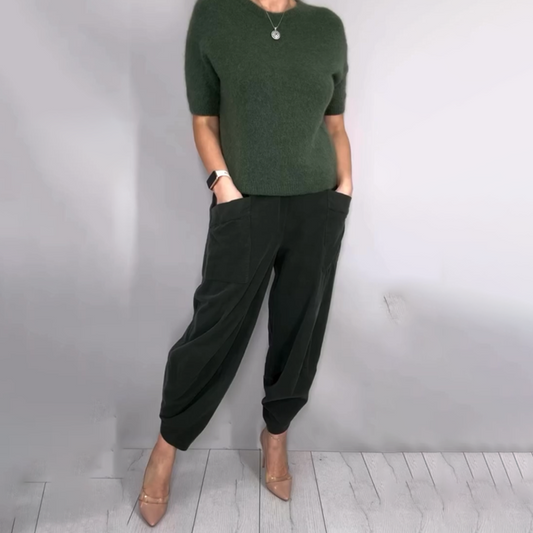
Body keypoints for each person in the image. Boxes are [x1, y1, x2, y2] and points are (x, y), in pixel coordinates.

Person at [137, 0, 352, 526]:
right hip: (244, 203)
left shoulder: (326, 27)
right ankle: (167, 446)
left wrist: (345, 187)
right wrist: (223, 186)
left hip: (317, 205)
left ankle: (275, 435)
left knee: (302, 327)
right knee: (215, 328)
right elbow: (204, 121)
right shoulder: (215, 15)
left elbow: (335, 125)